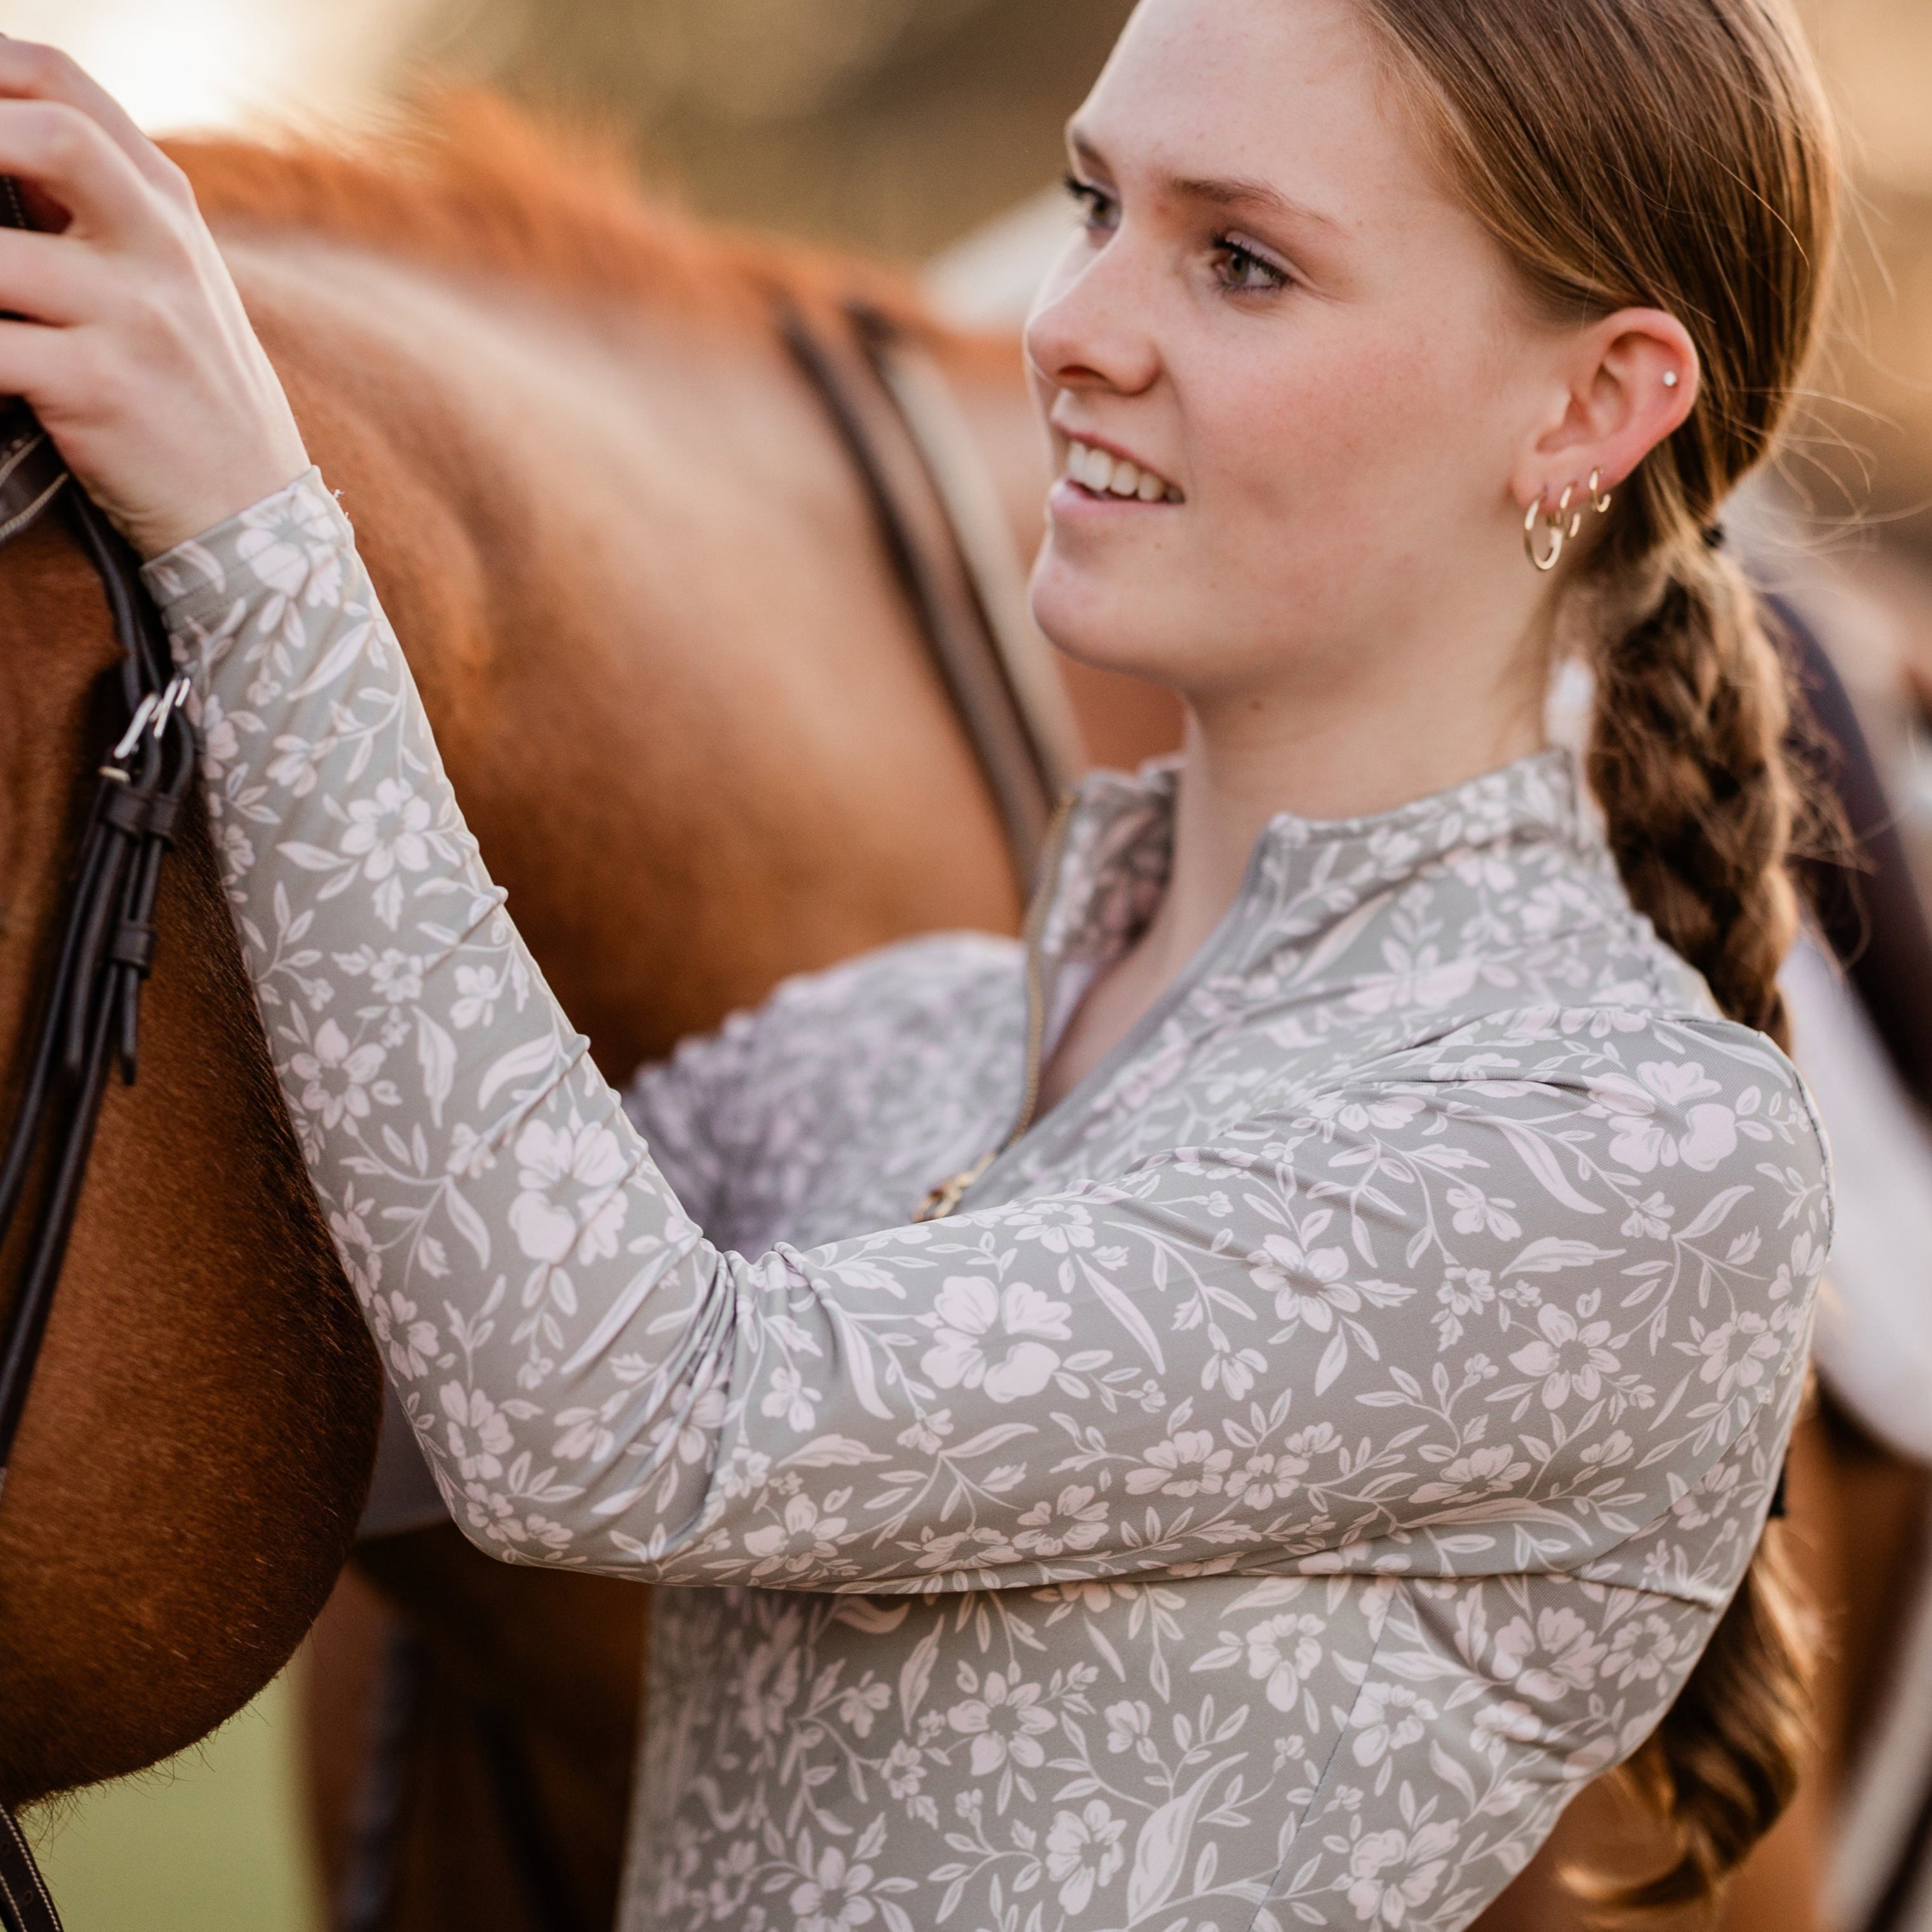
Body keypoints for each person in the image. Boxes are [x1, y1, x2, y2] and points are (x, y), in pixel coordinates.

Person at [0, 0, 1838, 1924]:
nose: (1071, 327)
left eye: (1238, 259)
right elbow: (307, 1370)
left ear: (1587, 404)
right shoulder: (896, 1037)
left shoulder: (1621, 1155)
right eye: (1091, 203)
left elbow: (620, 1420)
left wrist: (267, 529)